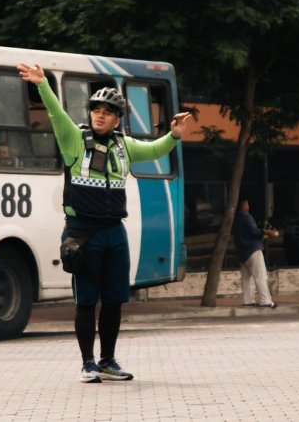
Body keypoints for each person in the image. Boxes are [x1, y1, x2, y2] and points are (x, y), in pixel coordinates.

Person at [18, 62, 192, 384]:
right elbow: (56, 114)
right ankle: (87, 363)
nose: (99, 115)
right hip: (82, 234)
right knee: (86, 301)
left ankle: (108, 360)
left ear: (117, 119)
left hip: (115, 232)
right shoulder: (74, 141)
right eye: (95, 109)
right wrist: (43, 84)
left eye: (107, 111)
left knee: (114, 299)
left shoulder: (124, 147)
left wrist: (174, 135)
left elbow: (155, 148)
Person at [233, 198, 280, 308]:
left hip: (242, 253)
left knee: (246, 278)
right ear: (243, 204)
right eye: (247, 204)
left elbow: (246, 234)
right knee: (261, 276)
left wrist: (263, 235)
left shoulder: (235, 218)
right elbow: (254, 232)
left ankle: (248, 300)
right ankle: (265, 300)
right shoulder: (246, 216)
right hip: (253, 251)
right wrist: (267, 232)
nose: (248, 207)